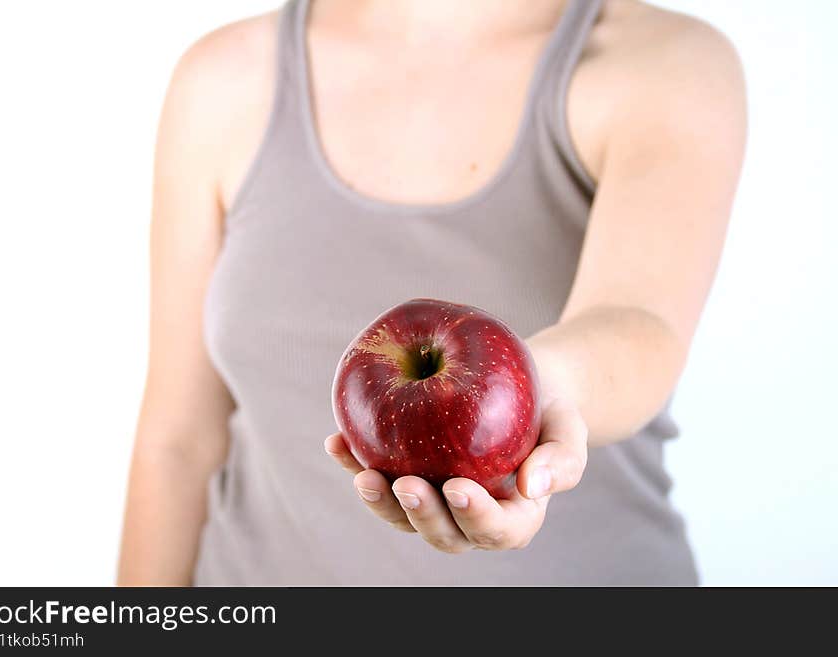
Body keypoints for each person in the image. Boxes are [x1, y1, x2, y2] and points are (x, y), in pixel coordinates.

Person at [118, 0, 746, 585]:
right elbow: (178, 442)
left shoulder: (660, 62)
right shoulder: (224, 79)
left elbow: (638, 320)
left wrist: (525, 390)